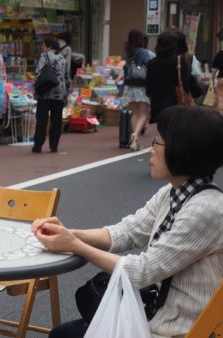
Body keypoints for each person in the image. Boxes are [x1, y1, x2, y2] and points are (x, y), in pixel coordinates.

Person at [32, 106, 223, 338]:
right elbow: (126, 232)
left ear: (183, 150)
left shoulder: (207, 209)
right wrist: (68, 233)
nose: (151, 150)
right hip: (156, 317)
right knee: (64, 333)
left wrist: (73, 244)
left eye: (157, 142)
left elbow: (143, 271)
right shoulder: (173, 193)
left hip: (180, 330)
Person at [117, 29, 153, 151]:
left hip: (129, 86)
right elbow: (149, 67)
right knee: (144, 114)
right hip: (142, 86)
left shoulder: (128, 52)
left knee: (135, 113)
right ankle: (135, 135)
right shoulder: (144, 52)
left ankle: (136, 141)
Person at [32, 35, 69, 154]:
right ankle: (54, 146)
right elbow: (67, 76)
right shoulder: (62, 58)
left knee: (42, 120)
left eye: (43, 45)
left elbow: (38, 73)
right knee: (56, 120)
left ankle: (38, 146)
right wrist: (66, 93)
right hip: (59, 93)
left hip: (45, 92)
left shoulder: (45, 56)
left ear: (48, 46)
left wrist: (36, 89)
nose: (42, 47)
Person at [145, 32, 192, 124]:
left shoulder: (151, 63)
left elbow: (148, 87)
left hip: (157, 102)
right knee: (174, 127)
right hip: (175, 100)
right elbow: (186, 83)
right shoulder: (179, 60)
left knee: (160, 128)